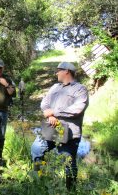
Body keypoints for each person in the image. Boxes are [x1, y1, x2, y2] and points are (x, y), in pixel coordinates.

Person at [31, 62, 89, 190]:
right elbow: (44, 104)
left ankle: (71, 190)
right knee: (36, 149)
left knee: (68, 162)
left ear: (67, 71)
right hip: (52, 128)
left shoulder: (80, 89)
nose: (56, 73)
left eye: (58, 70)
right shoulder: (54, 87)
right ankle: (38, 180)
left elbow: (78, 108)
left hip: (70, 132)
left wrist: (54, 112)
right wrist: (50, 116)